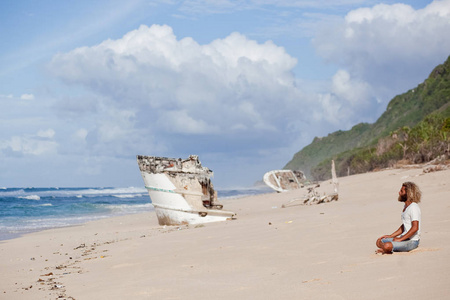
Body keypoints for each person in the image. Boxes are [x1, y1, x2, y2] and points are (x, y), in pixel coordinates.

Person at [376, 182, 422, 254]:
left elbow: (415, 228)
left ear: (408, 194)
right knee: (379, 241)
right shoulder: (406, 207)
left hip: (412, 241)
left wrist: (400, 239)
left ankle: (387, 248)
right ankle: (388, 247)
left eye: (401, 191)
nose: (399, 192)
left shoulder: (413, 207)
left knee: (387, 245)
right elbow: (405, 226)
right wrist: (391, 236)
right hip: (404, 238)